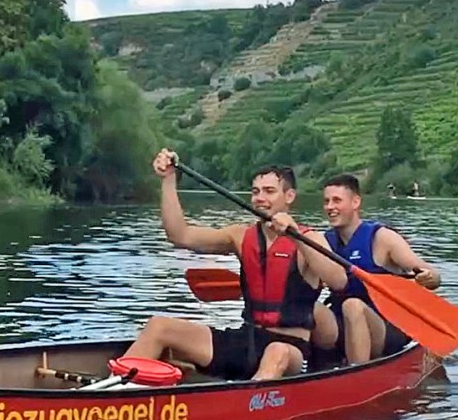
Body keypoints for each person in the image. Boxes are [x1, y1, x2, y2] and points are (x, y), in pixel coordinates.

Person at [122, 149, 349, 381]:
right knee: (159, 327)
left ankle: (247, 405)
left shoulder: (309, 239)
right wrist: (169, 180)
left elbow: (339, 280)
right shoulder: (239, 236)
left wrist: (294, 237)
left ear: (289, 196)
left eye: (269, 192)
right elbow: (180, 235)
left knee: (276, 352)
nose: (260, 198)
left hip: (290, 348)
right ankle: (108, 394)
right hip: (245, 339)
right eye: (255, 192)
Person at [309, 174, 440, 367]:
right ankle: (314, 367)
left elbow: (431, 274)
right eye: (326, 201)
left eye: (337, 200)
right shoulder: (323, 242)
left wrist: (430, 277)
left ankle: (357, 373)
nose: (329, 207)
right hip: (341, 324)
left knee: (352, 305)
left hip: (387, 327)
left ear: (355, 202)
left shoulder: (383, 238)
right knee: (308, 306)